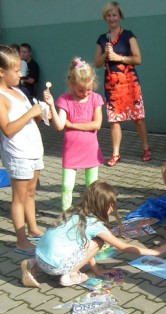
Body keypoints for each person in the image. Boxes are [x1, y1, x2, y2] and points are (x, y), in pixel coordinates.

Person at [20, 181, 166, 288]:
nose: (113, 208)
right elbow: (124, 247)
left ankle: (33, 265)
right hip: (56, 268)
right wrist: (155, 252)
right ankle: (70, 276)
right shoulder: (94, 224)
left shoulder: (75, 211)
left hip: (39, 256)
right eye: (112, 204)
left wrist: (96, 270)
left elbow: (86, 247)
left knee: (89, 242)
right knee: (99, 242)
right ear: (105, 205)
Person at [0, 45, 45, 256]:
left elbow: (29, 120)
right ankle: (21, 240)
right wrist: (31, 113)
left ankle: (33, 228)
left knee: (30, 193)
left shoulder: (18, 91)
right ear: (1, 72)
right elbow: (8, 129)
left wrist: (40, 114)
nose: (21, 74)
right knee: (19, 198)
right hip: (18, 154)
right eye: (17, 70)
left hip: (33, 150)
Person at [94, 1, 152, 166]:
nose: (112, 18)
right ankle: (115, 153)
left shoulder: (128, 36)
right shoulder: (102, 39)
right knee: (114, 121)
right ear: (105, 18)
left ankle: (146, 148)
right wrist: (106, 55)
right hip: (112, 85)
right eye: (109, 15)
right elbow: (97, 63)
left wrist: (119, 58)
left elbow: (138, 59)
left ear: (120, 16)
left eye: (114, 15)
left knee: (138, 118)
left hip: (130, 83)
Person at [44, 57, 104, 211]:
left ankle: (93, 212)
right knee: (66, 185)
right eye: (81, 90)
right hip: (71, 150)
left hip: (90, 150)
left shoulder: (96, 99)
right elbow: (59, 125)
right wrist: (51, 106)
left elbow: (96, 124)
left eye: (89, 89)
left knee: (92, 185)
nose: (85, 93)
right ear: (72, 84)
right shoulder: (65, 100)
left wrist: (72, 125)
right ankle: (66, 215)